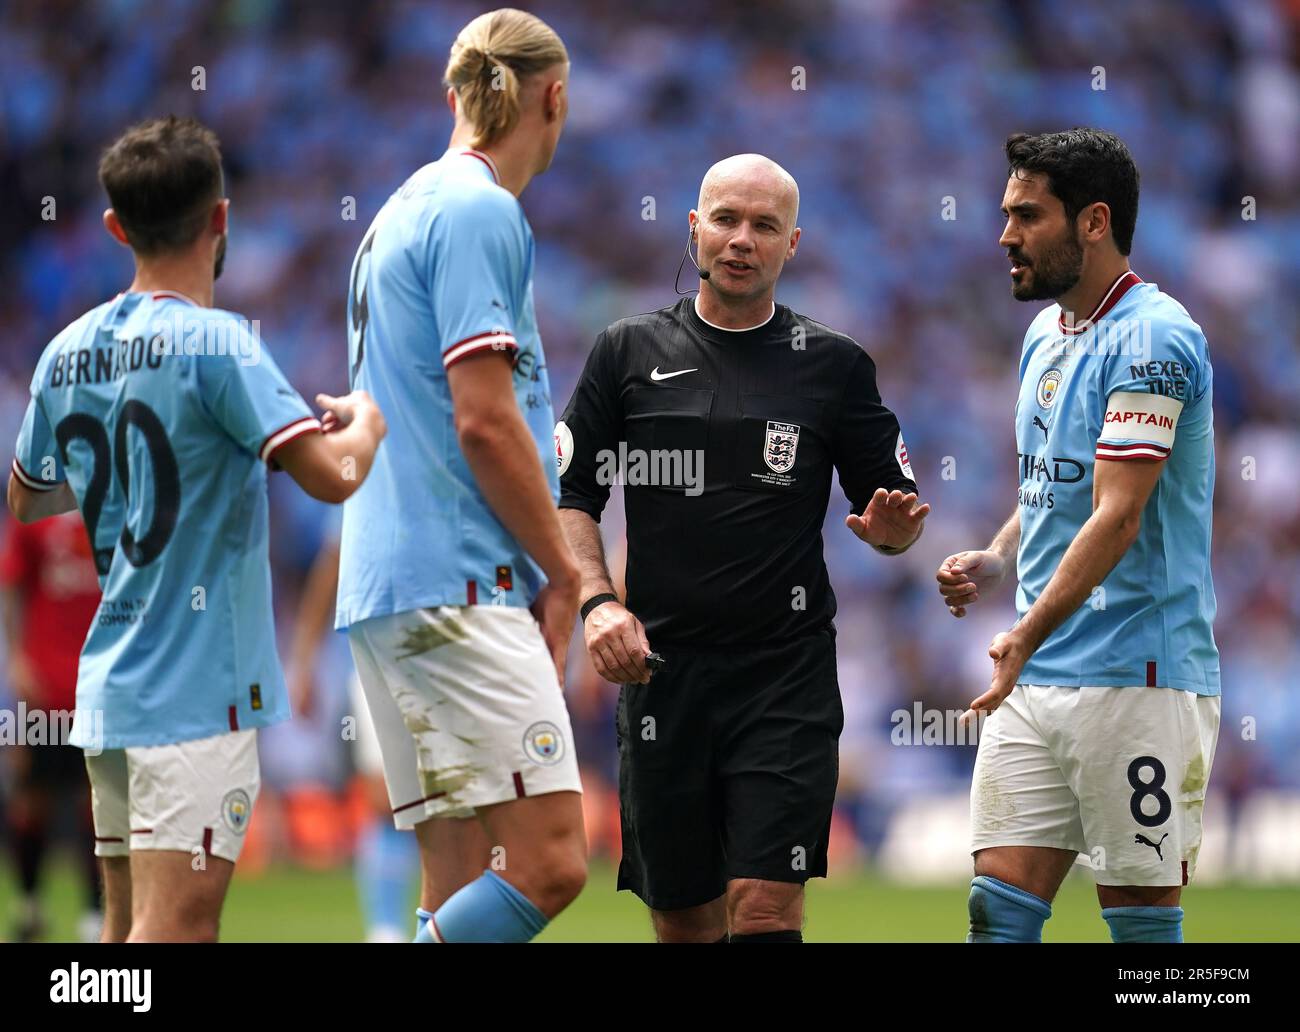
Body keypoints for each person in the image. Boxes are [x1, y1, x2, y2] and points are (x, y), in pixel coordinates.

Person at [6, 115, 386, 942]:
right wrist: (367, 424)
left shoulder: (63, 352)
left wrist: (136, 475)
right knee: (174, 933)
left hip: (106, 686)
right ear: (221, 218)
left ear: (116, 227)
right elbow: (336, 480)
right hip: (196, 692)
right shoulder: (221, 345)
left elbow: (28, 499)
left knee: (119, 934)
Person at [555, 153, 929, 942]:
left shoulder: (835, 367)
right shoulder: (625, 352)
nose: (741, 239)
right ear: (694, 229)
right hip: (662, 676)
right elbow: (573, 497)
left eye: (765, 225)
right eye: (725, 219)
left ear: (793, 244)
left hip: (782, 678)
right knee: (686, 922)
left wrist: (896, 535)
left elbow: (891, 513)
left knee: (763, 904)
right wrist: (595, 604)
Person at [335, 8, 587, 943]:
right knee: (551, 859)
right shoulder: (484, 210)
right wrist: (561, 569)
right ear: (553, 98)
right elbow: (482, 419)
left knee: (457, 873)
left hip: (386, 583)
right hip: (458, 579)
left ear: (455, 93)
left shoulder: (397, 213)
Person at [936, 128, 1220, 944]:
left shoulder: (1156, 337)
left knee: (1138, 923)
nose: (1005, 236)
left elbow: (1120, 512)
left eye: (1027, 216)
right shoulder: (1044, 334)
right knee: (998, 907)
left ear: (1093, 222)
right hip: (1039, 673)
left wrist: (1021, 632)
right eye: (1005, 214)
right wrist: (996, 557)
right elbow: (1057, 488)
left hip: (1139, 674)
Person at [0, 511, 102, 941]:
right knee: (32, 797)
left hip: (99, 683)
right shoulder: (36, 509)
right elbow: (11, 585)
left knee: (97, 800)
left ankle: (96, 914)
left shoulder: (118, 505)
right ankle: (28, 903)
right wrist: (17, 658)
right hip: (44, 683)